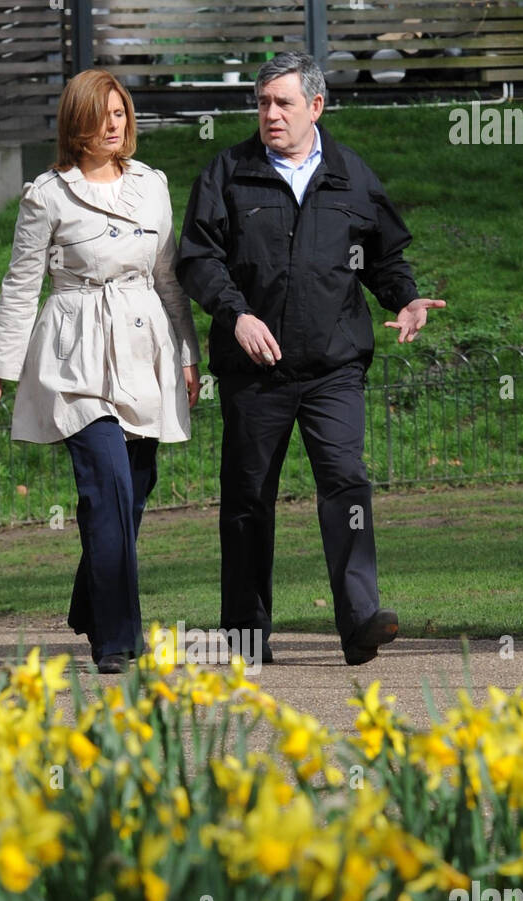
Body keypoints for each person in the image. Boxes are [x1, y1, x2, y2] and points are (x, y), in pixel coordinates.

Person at [175, 51, 445, 666]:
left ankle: (359, 623)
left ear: (316, 106)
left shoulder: (351, 174)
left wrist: (405, 300)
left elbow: (383, 257)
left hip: (334, 367)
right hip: (255, 373)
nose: (270, 113)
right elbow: (198, 259)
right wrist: (236, 314)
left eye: (283, 102)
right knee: (247, 500)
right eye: (263, 102)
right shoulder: (229, 172)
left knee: (346, 485)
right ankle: (246, 635)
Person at [0, 71, 200, 674]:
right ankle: (117, 640)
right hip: (73, 354)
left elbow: (168, 278)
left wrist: (187, 353)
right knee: (108, 487)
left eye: (121, 113)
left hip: (144, 344)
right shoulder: (47, 194)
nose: (112, 125)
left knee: (135, 489)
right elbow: (22, 285)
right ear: (76, 122)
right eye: (100, 115)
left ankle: (90, 599)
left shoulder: (153, 187)